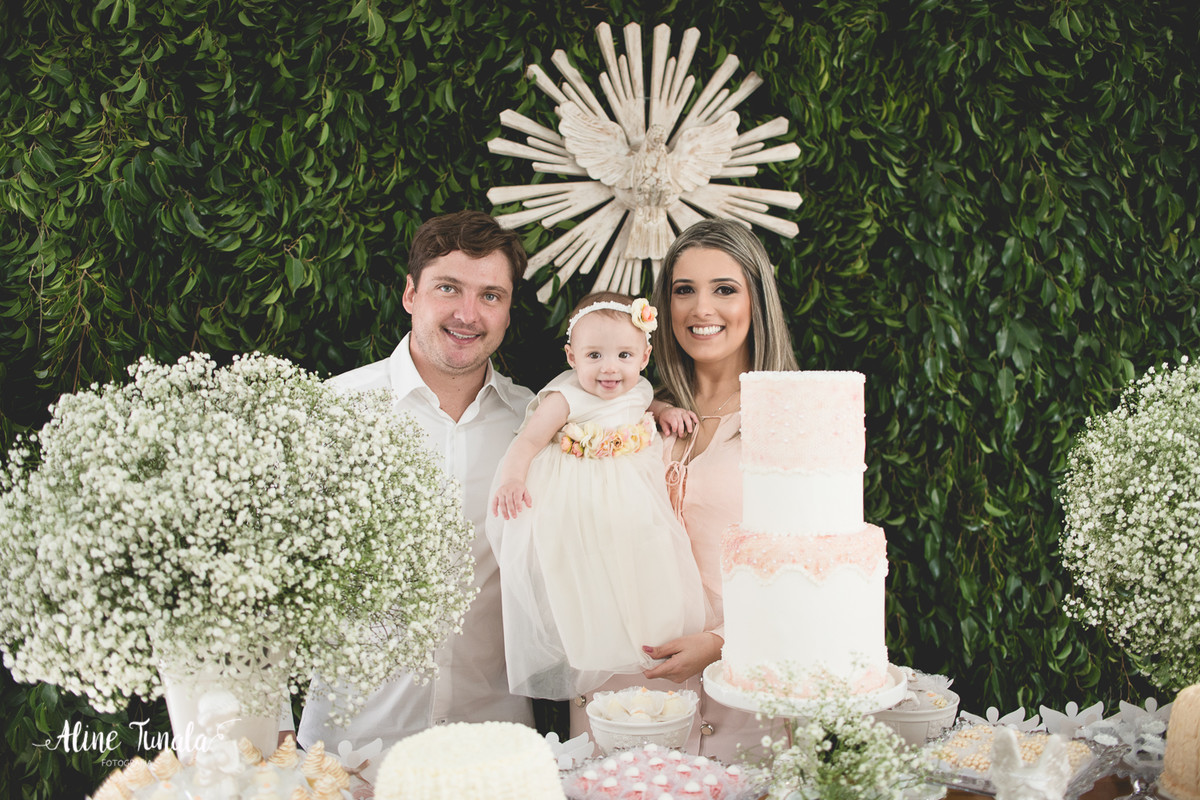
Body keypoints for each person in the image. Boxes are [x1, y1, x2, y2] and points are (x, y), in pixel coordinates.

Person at [296, 210, 535, 776]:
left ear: (507, 312)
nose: (467, 314)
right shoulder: (334, 411)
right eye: (448, 288)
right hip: (348, 750)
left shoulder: (536, 426)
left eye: (490, 295)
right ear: (410, 294)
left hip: (493, 748)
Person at [568, 218, 798, 761]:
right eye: (683, 290)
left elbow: (815, 574)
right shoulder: (627, 411)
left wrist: (721, 644)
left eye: (724, 289)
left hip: (740, 693)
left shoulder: (791, 420)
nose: (701, 309)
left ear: (757, 300)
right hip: (622, 690)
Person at [487, 291, 709, 701]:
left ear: (643, 358)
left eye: (624, 356)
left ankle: (651, 630)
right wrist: (513, 479)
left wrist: (664, 411)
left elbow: (643, 400)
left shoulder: (639, 387)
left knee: (648, 555)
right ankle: (595, 638)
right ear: (572, 357)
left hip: (634, 495)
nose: (610, 369)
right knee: (589, 571)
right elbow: (528, 440)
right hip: (579, 497)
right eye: (594, 356)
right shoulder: (565, 398)